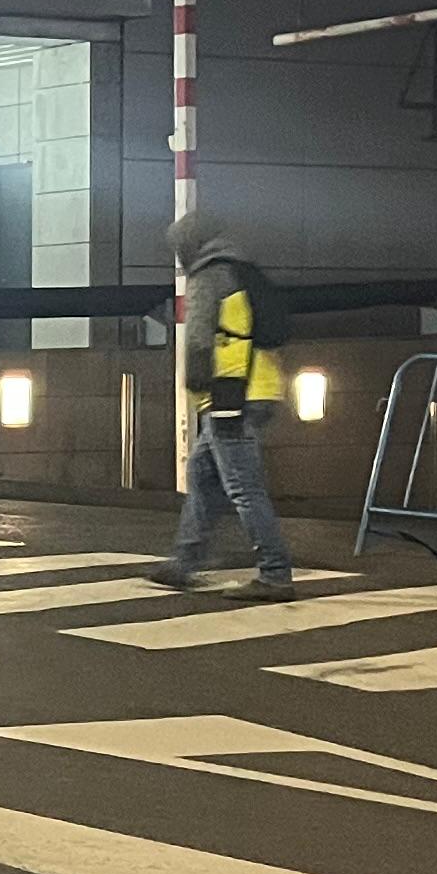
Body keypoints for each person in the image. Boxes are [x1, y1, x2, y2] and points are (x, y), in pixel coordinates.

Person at [147, 210, 296, 598]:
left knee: (243, 488)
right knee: (203, 475)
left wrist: (196, 385)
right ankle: (185, 560)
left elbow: (198, 340)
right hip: (260, 387)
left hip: (231, 395)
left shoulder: (208, 277)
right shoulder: (244, 271)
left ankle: (275, 573)